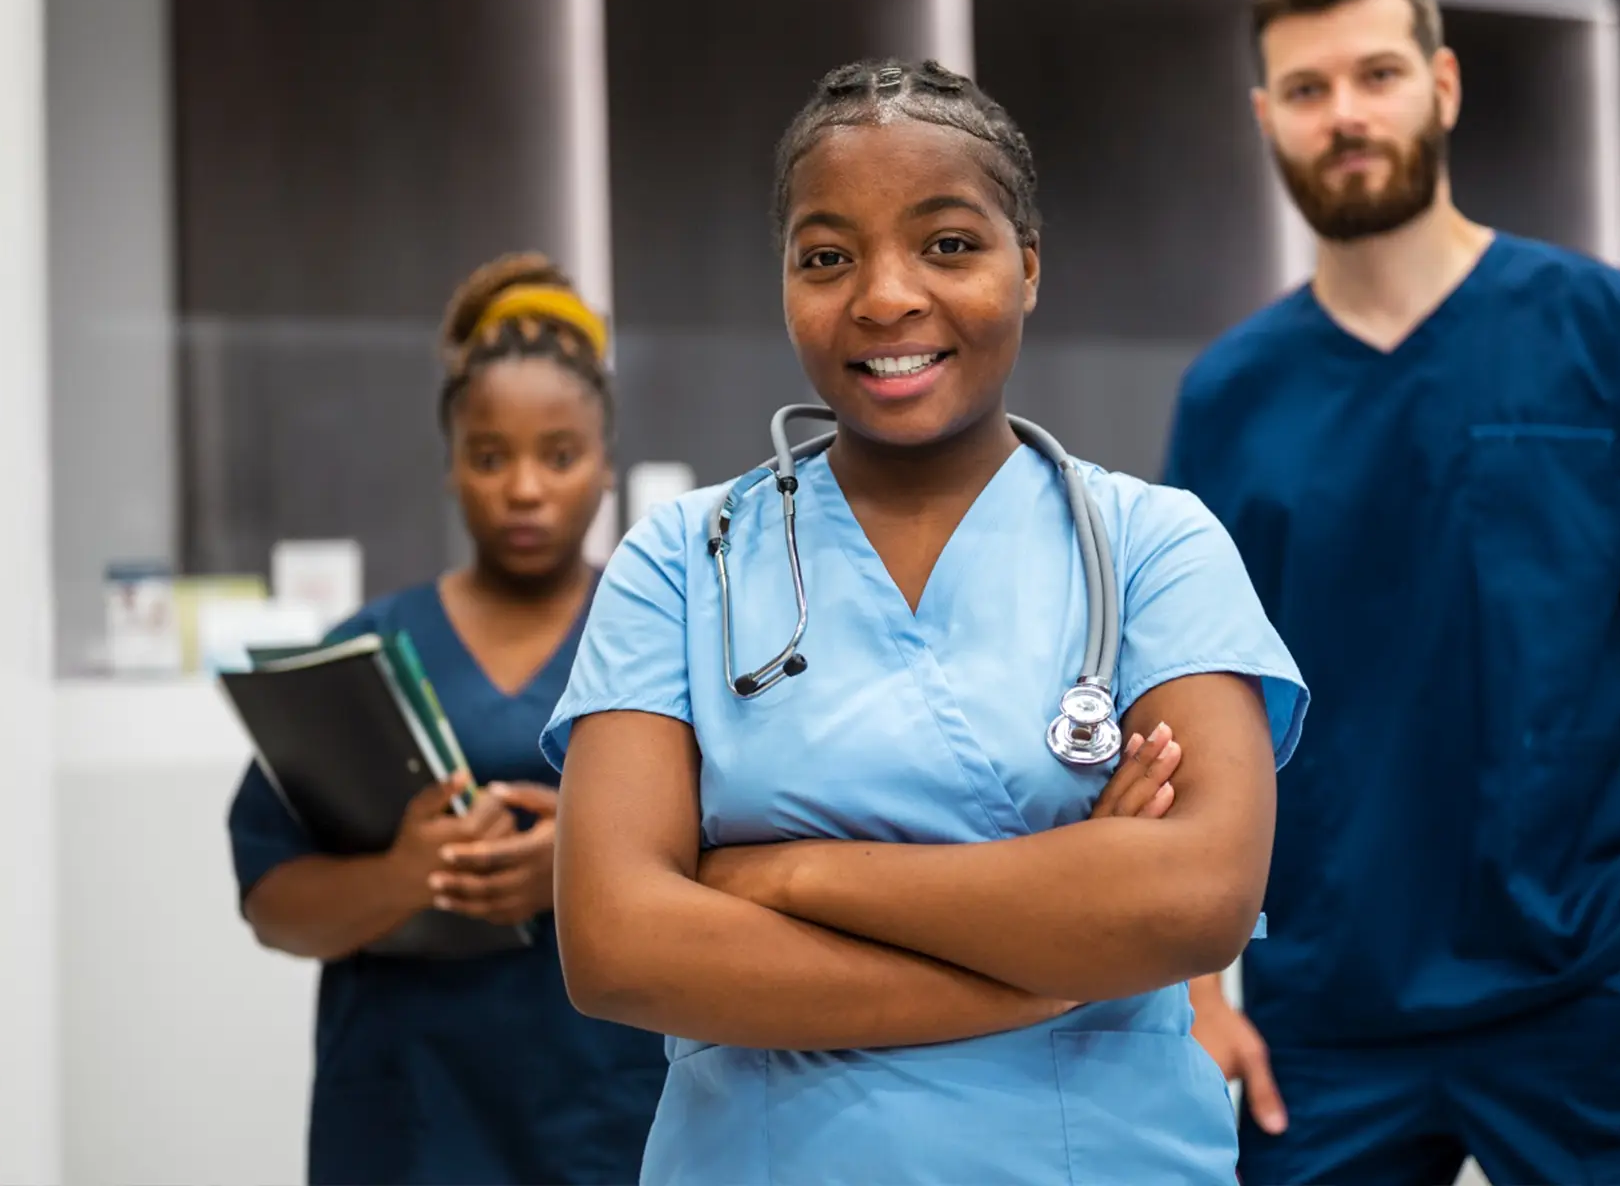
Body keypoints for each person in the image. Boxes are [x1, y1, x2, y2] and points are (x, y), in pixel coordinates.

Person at [542, 57, 1311, 1185]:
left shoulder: (1157, 545)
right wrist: (1052, 955)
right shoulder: (683, 559)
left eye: (948, 243)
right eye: (827, 255)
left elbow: (1195, 897)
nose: (886, 296)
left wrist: (788, 876)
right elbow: (616, 943)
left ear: (1029, 264)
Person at [1166, 0, 1620, 1186]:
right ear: (1266, 116)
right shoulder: (1228, 395)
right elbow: (1187, 704)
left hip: (1584, 988)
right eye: (1310, 87)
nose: (1346, 115)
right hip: (1323, 1016)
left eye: (1376, 74)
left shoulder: (1606, 328)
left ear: (1441, 85)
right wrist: (1194, 990)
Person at [226, 254, 669, 1185]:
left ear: (605, 468)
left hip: (607, 1115)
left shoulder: (662, 644)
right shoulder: (364, 656)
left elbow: (753, 871)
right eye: (489, 456)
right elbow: (272, 904)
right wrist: (403, 876)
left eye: (559, 454)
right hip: (404, 1122)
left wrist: (575, 868)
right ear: (449, 467)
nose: (524, 489)